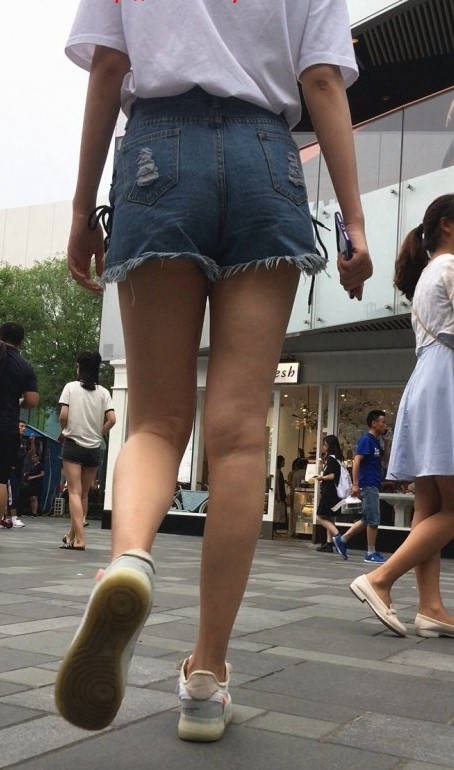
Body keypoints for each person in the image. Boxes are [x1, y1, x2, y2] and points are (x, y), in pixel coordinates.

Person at [55, 0, 372, 740]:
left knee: (157, 421)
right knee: (237, 435)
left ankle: (129, 561)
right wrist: (354, 221)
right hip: (268, 159)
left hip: (159, 151)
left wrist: (81, 209)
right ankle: (206, 677)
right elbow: (322, 81)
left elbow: (109, 65)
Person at [350, 194, 454, 638]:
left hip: (428, 379)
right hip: (446, 381)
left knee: (429, 506)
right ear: (447, 224)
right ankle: (380, 579)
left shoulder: (430, 272)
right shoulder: (450, 267)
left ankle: (431, 608)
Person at [59, 351, 116, 551]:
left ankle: (80, 540)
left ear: (80, 368)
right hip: (93, 448)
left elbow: (63, 415)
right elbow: (112, 419)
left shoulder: (70, 388)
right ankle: (71, 535)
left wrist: (63, 429)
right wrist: (99, 432)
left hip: (73, 445)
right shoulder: (104, 393)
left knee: (74, 492)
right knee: (83, 494)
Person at [333, 410, 388, 563]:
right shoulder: (366, 440)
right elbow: (356, 461)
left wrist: (386, 441)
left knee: (367, 518)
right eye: (383, 422)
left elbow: (383, 458)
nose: (385, 425)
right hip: (367, 484)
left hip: (373, 483)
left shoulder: (376, 441)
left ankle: (342, 540)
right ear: (374, 423)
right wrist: (355, 484)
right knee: (373, 519)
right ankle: (370, 552)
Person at [0, 323, 39, 526]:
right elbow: (32, 400)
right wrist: (17, 402)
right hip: (7, 426)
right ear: (21, 341)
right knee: (1, 478)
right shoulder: (24, 366)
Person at [314, 435, 343, 553]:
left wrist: (321, 477)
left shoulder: (331, 459)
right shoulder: (336, 459)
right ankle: (329, 543)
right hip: (334, 493)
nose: (323, 447)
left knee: (320, 517)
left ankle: (337, 535)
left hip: (329, 493)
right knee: (329, 517)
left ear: (329, 446)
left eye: (325, 445)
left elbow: (332, 476)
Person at [5, 420, 28, 528]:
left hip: (19, 472)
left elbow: (28, 455)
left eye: (25, 427)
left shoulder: (23, 441)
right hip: (10, 472)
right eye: (21, 426)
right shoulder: (10, 440)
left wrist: (32, 442)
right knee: (12, 495)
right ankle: (13, 518)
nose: (24, 428)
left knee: (15, 494)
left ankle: (5, 518)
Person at [25, 453, 45, 517]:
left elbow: (42, 474)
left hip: (37, 483)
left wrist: (33, 477)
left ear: (38, 457)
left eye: (34, 457)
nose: (33, 458)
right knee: (31, 498)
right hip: (31, 483)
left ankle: (35, 513)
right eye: (32, 457)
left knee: (34, 497)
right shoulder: (32, 466)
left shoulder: (40, 465)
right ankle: (32, 512)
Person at [274, 455, 288, 533]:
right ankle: (276, 530)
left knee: (279, 512)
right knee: (279, 513)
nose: (284, 463)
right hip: (279, 496)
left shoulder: (278, 471)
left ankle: (277, 530)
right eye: (283, 461)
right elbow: (277, 485)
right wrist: (278, 496)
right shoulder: (278, 472)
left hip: (280, 496)